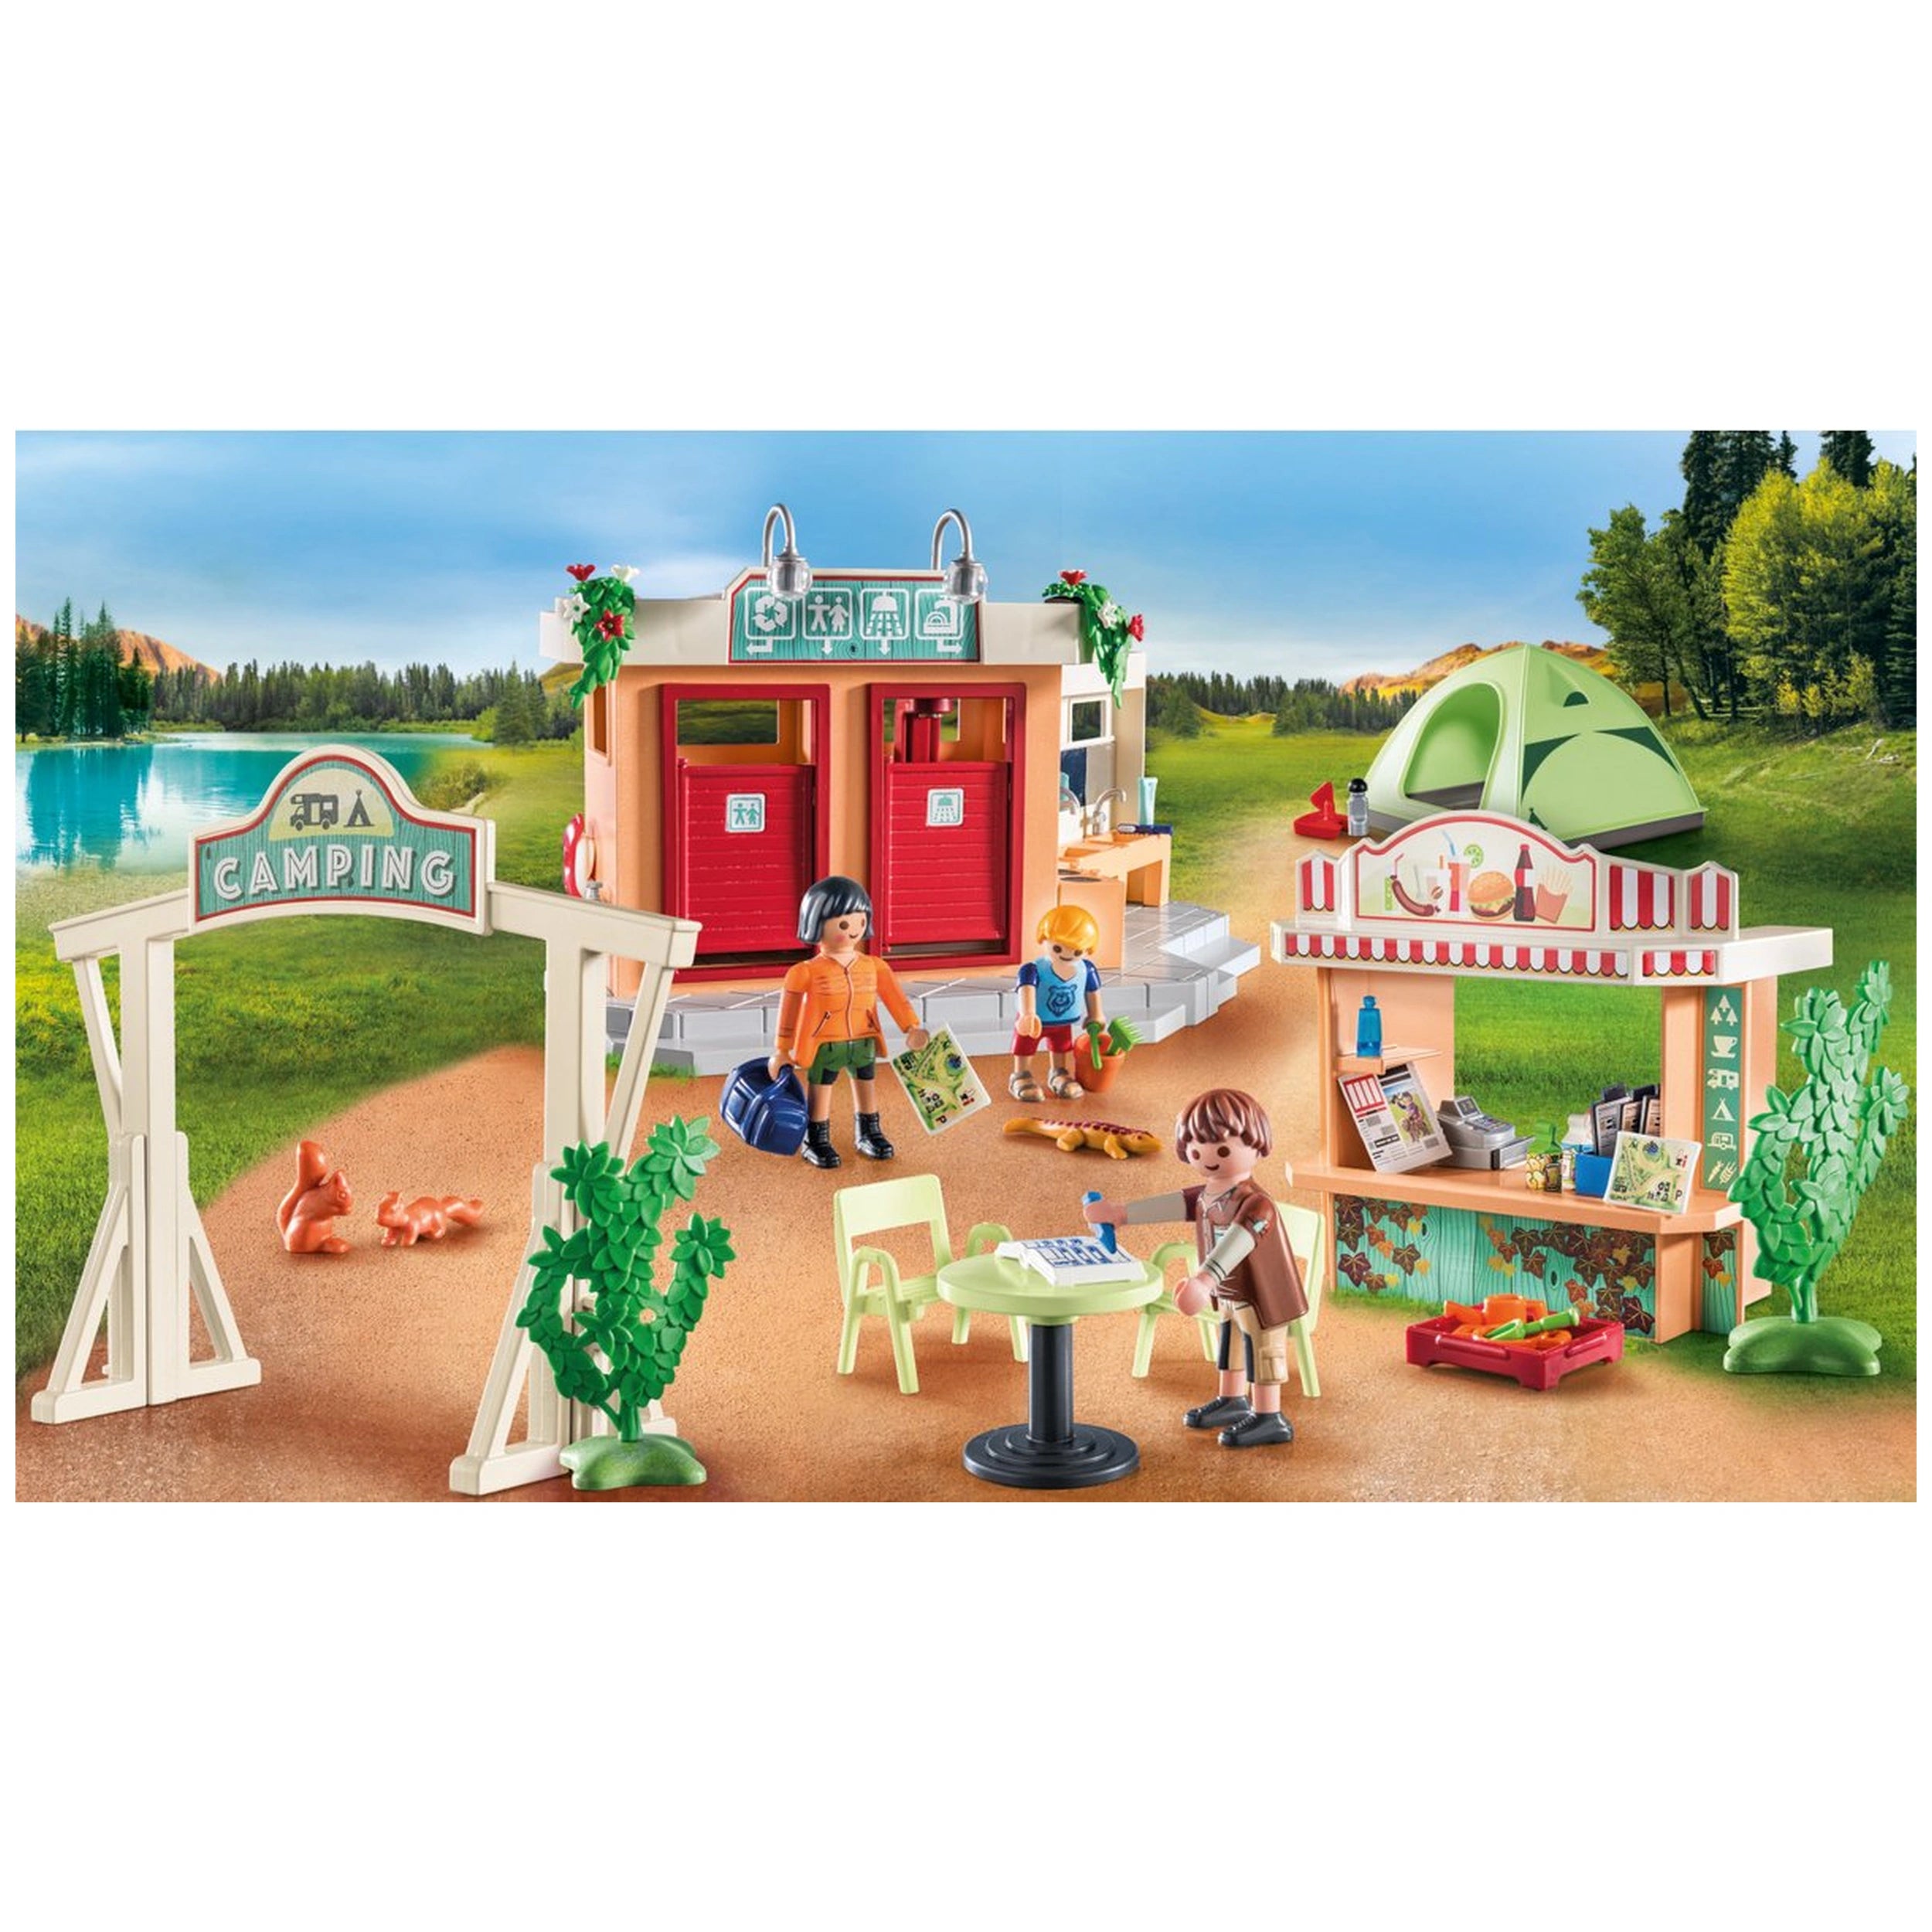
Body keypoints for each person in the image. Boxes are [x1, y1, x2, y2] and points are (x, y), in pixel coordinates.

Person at [1083, 1088, 1304, 1447]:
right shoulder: (1207, 1196)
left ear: (1257, 1145)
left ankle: (1270, 1416)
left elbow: (1238, 1241)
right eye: (1197, 1150)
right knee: (1231, 1342)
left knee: (1263, 1350)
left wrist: (1204, 1280)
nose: (1208, 1159)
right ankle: (1232, 1399)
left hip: (1264, 1295)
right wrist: (1121, 1214)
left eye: (1222, 1150)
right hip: (1230, 1291)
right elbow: (1172, 1205)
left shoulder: (1257, 1205)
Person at [769, 876, 928, 1170]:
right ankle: (816, 1139)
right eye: (843, 924)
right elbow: (788, 1012)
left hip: (864, 1038)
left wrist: (911, 1026)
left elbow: (896, 999)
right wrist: (782, 1049)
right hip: (824, 1042)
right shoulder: (805, 972)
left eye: (860, 921)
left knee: (866, 1084)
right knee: (821, 1089)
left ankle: (869, 1132)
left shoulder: (874, 966)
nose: (854, 929)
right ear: (816, 923)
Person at [1011, 905, 1106, 1102]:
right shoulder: (1033, 970)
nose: (1068, 954)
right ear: (1044, 939)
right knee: (1025, 1046)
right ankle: (1021, 1075)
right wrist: (1028, 1014)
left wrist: (1096, 1014)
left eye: (1077, 951)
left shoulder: (1086, 969)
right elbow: (1026, 989)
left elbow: (1092, 992)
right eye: (1058, 948)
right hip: (1035, 1021)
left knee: (1061, 1046)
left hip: (1063, 1021)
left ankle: (1059, 1073)